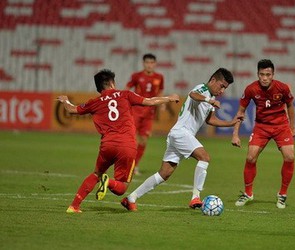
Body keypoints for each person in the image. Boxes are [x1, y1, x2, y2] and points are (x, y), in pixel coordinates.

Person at [120, 68, 244, 211]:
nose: (222, 90)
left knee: (164, 173)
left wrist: (231, 122)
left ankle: (131, 198)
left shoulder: (211, 97)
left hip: (180, 135)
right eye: (221, 86)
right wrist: (209, 100)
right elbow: (193, 95)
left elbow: (211, 120)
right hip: (182, 133)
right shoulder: (202, 89)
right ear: (213, 80)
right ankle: (195, 197)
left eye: (225, 88)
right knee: (204, 158)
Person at [57, 69, 179, 213]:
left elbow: (71, 110)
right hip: (126, 145)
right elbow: (150, 101)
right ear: (111, 83)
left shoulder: (94, 102)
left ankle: (74, 206)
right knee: (122, 187)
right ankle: (107, 182)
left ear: (98, 87)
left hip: (107, 145)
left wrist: (65, 100)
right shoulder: (125, 95)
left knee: (96, 173)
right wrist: (169, 98)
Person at [231, 59, 295, 209]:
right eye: (262, 74)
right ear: (257, 74)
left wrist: (292, 126)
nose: (265, 78)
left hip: (281, 126)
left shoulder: (283, 88)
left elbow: (290, 105)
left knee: (290, 156)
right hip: (261, 127)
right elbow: (241, 112)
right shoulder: (251, 89)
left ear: (273, 75)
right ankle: (248, 193)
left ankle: (282, 194)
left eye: (268, 74)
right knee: (250, 157)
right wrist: (235, 134)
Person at [125, 53, 164, 176]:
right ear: (143, 63)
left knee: (143, 141)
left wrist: (162, 102)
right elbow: (127, 88)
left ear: (155, 64)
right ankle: (125, 164)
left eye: (152, 63)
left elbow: (160, 91)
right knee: (131, 139)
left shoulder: (159, 77)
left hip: (149, 113)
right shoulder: (136, 76)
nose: (149, 65)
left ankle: (134, 166)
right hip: (136, 111)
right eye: (147, 62)